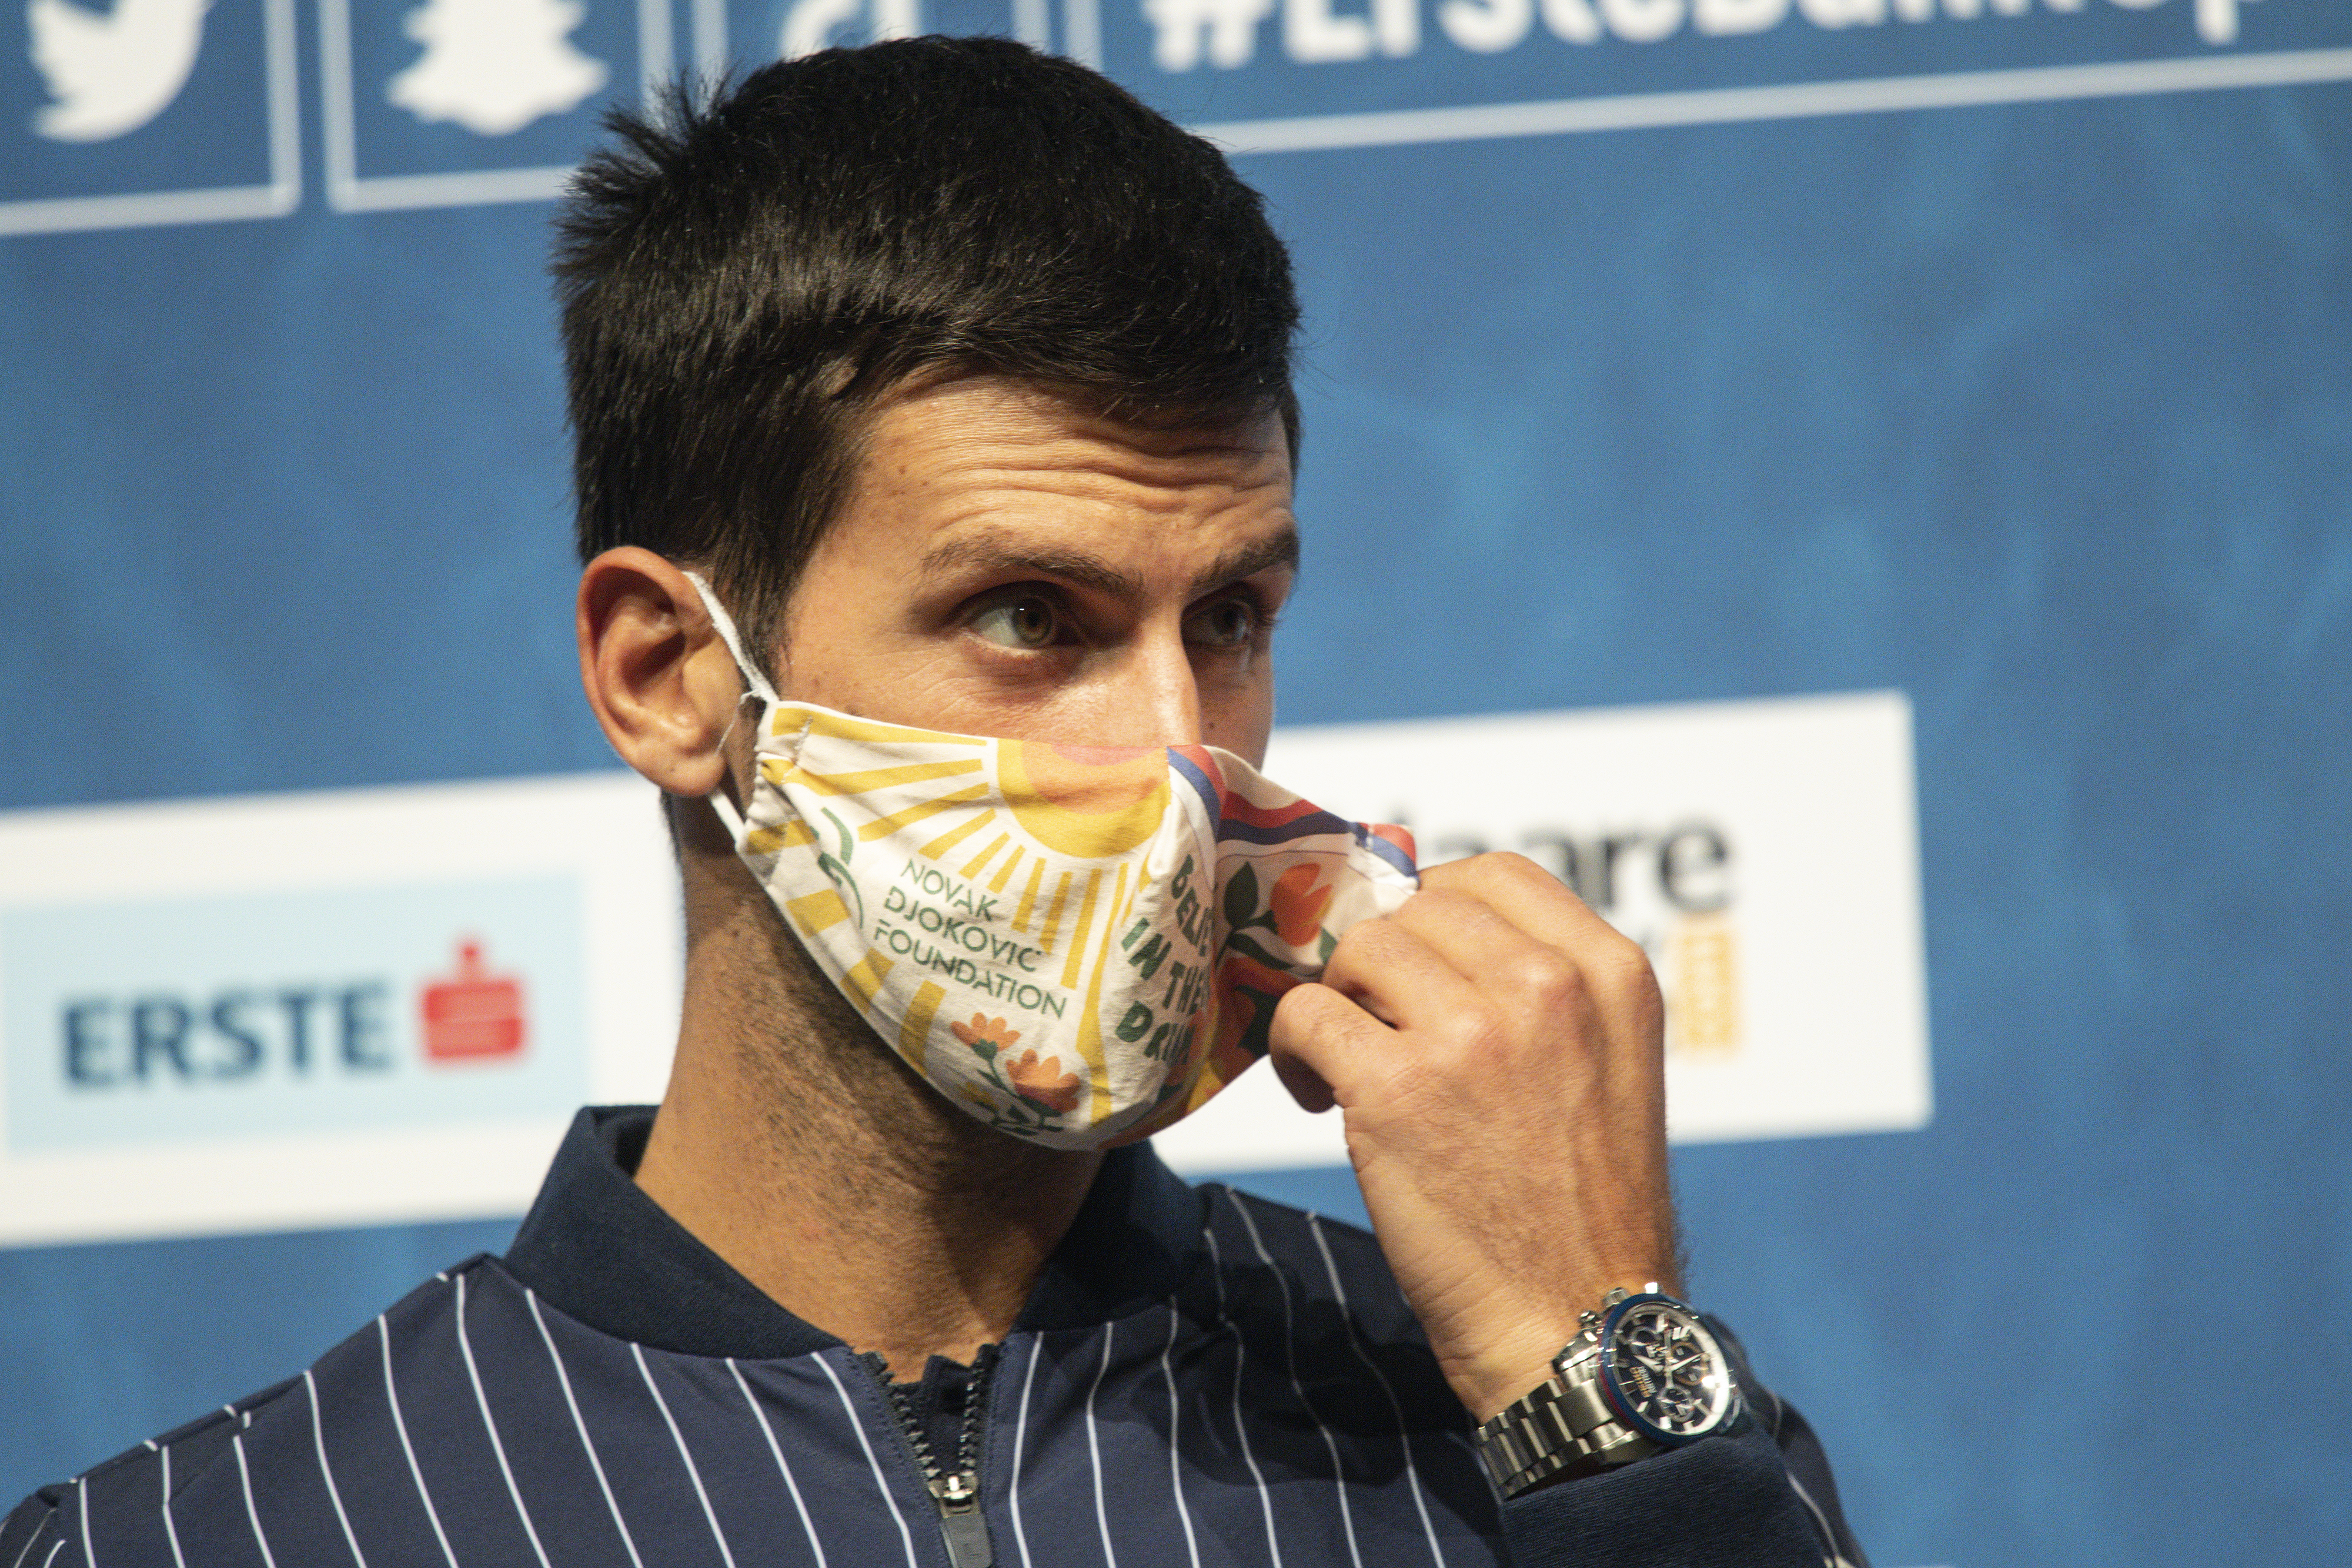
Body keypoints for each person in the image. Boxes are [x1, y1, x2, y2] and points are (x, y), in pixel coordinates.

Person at [4, 36, 1865, 1568]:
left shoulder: (1559, 1430)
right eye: (1027, 616)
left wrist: (1610, 1408)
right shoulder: (223, 1533)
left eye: (1230, 616)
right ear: (670, 675)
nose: (1172, 752)